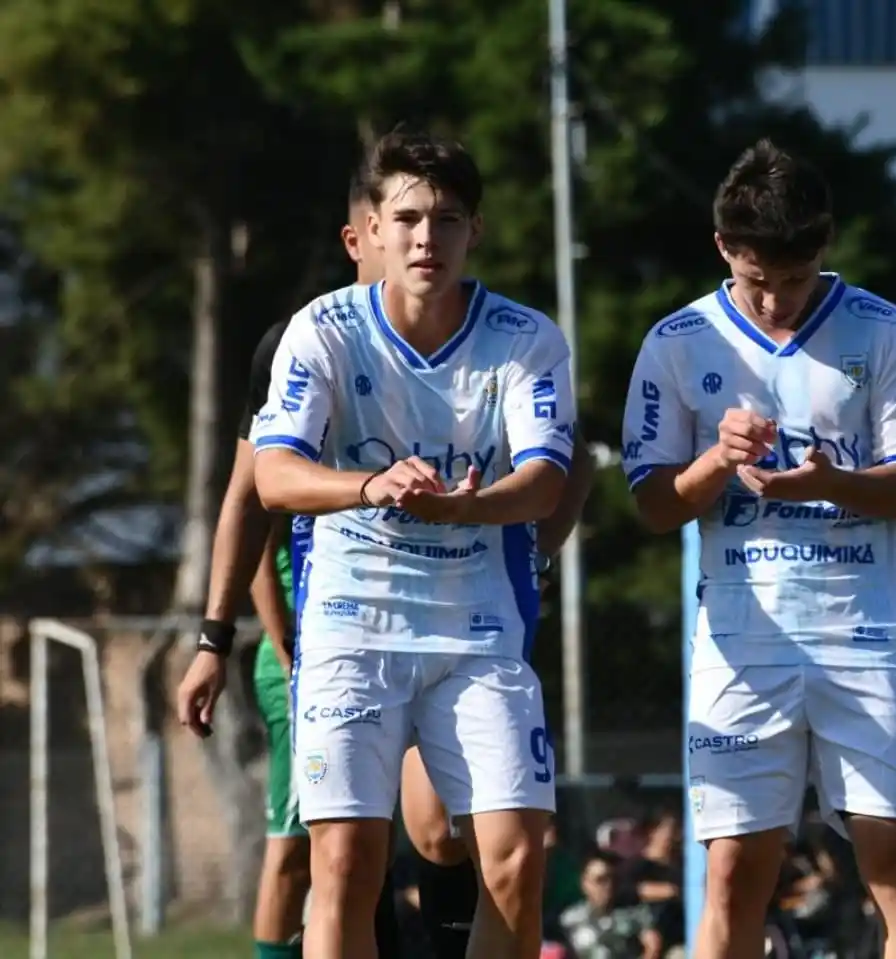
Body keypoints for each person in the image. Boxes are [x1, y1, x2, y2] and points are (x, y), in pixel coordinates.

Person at [176, 154, 593, 959]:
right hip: (349, 628)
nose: (424, 238)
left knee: (511, 861)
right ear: (367, 232)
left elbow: (548, 478)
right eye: (405, 219)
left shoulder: (525, 338)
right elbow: (269, 477)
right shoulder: (319, 329)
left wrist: (471, 506)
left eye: (444, 219)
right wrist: (371, 485)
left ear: (475, 231)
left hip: (477, 631)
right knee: (341, 860)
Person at [621, 139, 896, 959]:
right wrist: (716, 460)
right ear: (723, 249)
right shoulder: (677, 340)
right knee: (734, 872)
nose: (773, 302)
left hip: (863, 636)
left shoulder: (885, 332)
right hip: (740, 645)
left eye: (795, 281)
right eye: (755, 280)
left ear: (825, 244)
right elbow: (652, 506)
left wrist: (829, 482)